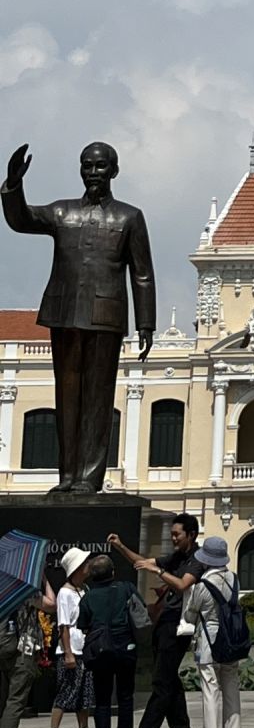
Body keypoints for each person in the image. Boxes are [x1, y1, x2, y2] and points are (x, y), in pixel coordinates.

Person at [1, 142, 155, 496]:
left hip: (106, 316)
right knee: (67, 398)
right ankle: (68, 475)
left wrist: (146, 323)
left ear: (113, 171)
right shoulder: (61, 213)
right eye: (87, 166)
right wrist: (13, 184)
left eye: (101, 166)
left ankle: (89, 477)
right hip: (64, 313)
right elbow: (21, 218)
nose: (93, 172)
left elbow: (142, 274)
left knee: (98, 400)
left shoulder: (129, 217)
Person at [108, 516, 201, 728]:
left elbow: (183, 584)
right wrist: (120, 547)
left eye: (177, 534)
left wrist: (158, 570)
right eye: (172, 533)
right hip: (163, 623)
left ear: (191, 534)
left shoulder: (198, 559)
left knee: (161, 681)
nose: (173, 538)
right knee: (169, 680)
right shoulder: (177, 557)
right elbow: (142, 563)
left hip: (179, 628)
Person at [77, 555, 142, 728]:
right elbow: (140, 613)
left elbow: (84, 625)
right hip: (125, 646)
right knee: (125, 697)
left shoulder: (88, 597)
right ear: (113, 572)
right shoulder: (126, 588)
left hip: (101, 650)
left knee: (103, 699)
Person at [180, 538, 241, 728]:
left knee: (210, 689)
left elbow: (190, 614)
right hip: (231, 640)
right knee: (231, 689)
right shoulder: (233, 579)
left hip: (209, 640)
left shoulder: (203, 585)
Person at [0, 568, 56, 728]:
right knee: (15, 700)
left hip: (2, 648)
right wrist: (44, 579)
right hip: (22, 650)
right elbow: (51, 605)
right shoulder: (23, 590)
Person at [45, 551, 94, 728]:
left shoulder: (83, 590)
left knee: (84, 692)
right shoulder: (65, 593)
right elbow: (63, 625)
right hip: (71, 648)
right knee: (67, 690)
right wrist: (68, 653)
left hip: (84, 646)